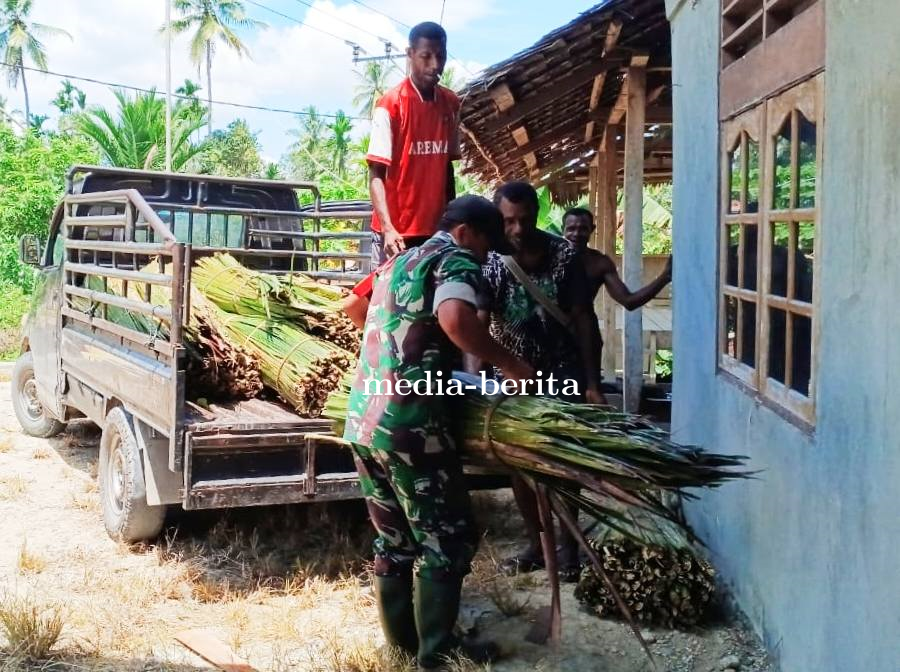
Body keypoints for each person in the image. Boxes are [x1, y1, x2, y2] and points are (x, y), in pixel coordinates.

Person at [343, 195, 535, 670]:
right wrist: (511, 364)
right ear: (468, 231)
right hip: (413, 428)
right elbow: (454, 319)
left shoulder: (399, 261)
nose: (485, 259)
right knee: (447, 540)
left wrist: (394, 355)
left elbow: (352, 304)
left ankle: (404, 646)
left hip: (364, 420)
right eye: (487, 246)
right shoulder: (455, 258)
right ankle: (437, 654)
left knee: (394, 541)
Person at [468, 182, 603, 583]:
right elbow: (477, 325)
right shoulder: (490, 259)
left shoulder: (564, 255)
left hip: (563, 372)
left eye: (525, 219)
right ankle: (536, 544)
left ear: (537, 212)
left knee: (563, 462)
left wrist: (592, 384)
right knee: (518, 464)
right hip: (510, 379)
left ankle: (569, 547)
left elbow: (583, 320)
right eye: (509, 221)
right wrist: (475, 382)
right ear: (498, 219)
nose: (518, 229)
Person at [367, 21, 461, 266]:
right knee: (389, 302)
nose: (434, 65)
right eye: (425, 56)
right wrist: (387, 228)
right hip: (396, 234)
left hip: (436, 231)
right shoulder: (390, 105)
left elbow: (447, 168)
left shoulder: (451, 104)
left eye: (440, 56)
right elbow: (376, 173)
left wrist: (451, 223)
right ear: (410, 55)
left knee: (433, 300)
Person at [561, 207, 672, 383]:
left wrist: (665, 277)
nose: (576, 234)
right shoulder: (546, 257)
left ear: (592, 230)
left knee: (587, 394)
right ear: (563, 230)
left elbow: (628, 301)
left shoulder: (599, 263)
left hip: (584, 338)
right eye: (571, 228)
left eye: (583, 228)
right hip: (548, 336)